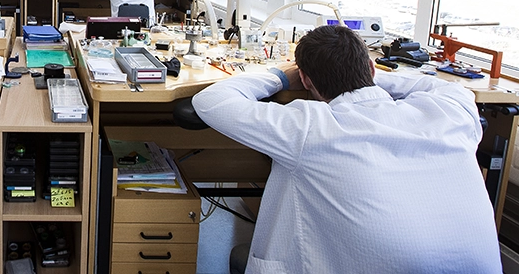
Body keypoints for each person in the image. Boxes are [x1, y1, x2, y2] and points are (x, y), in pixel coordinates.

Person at [190, 25, 501, 274]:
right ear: (372, 68)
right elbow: (447, 87)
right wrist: (364, 77)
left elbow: (211, 101)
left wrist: (281, 76)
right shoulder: (451, 111)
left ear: (306, 81)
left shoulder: (313, 128)